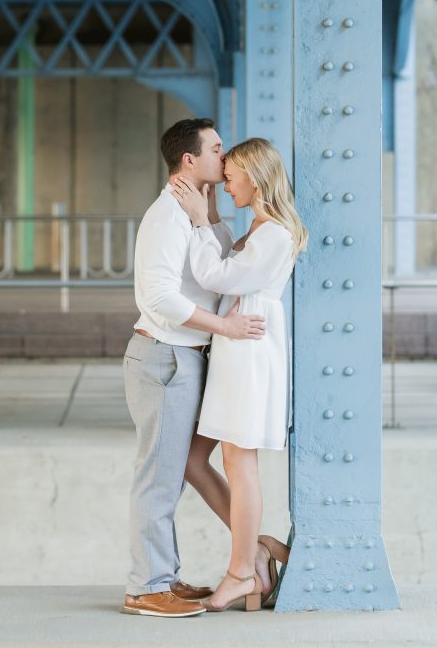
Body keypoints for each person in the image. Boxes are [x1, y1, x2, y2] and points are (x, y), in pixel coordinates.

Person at [121, 119, 268, 618]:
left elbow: (219, 271)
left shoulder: (200, 214)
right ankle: (147, 586)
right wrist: (224, 329)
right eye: (218, 150)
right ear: (190, 160)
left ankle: (188, 570)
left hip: (188, 357)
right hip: (164, 357)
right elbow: (158, 298)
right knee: (158, 478)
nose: (226, 160)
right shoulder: (167, 216)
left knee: (178, 471)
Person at [170, 137, 307, 612]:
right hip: (235, 348)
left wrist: (199, 221)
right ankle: (258, 548)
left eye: (230, 179)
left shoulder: (275, 235)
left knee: (239, 464)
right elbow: (226, 266)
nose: (225, 186)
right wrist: (207, 215)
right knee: (192, 459)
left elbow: (217, 277)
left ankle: (242, 573)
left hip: (249, 354)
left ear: (254, 176)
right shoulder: (260, 228)